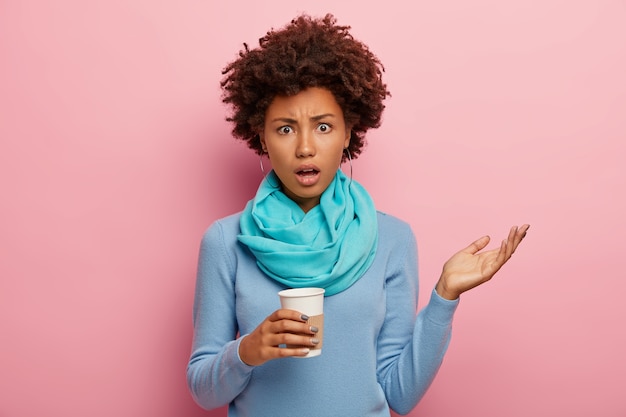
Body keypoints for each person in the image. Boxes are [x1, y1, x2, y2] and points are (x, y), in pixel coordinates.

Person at [187, 13, 529, 417]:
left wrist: (444, 297)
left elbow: (399, 393)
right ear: (261, 136)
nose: (305, 147)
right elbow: (203, 390)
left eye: (323, 127)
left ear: (349, 132)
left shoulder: (392, 239)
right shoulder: (226, 242)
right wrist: (247, 351)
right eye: (284, 129)